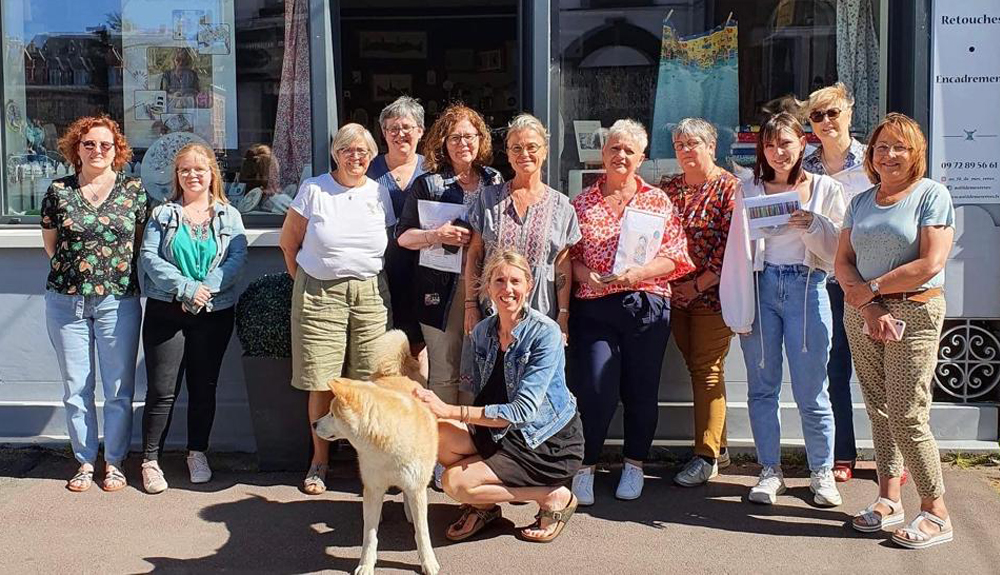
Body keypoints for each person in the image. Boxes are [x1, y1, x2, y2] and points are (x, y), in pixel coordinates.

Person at [835, 113, 955, 548]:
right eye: (881, 147)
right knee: (879, 411)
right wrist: (868, 304)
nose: (889, 155)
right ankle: (889, 498)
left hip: (915, 314)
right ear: (871, 154)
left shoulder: (931, 195)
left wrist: (875, 290)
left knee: (907, 412)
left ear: (915, 153)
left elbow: (930, 263)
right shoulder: (862, 201)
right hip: (864, 314)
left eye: (899, 147)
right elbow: (842, 260)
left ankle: (936, 511)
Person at [720, 112, 846, 507]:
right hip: (762, 286)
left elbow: (839, 251)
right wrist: (737, 305)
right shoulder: (749, 187)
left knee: (813, 389)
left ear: (802, 144)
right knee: (762, 386)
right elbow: (737, 251)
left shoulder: (825, 187)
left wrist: (811, 223)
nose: (778, 152)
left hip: (808, 285)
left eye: (786, 143)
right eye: (770, 145)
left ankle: (821, 471)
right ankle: (769, 469)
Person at [414, 250, 583, 543]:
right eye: (499, 281)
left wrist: (449, 411)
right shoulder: (482, 332)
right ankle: (485, 507)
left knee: (453, 482)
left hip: (543, 441)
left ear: (529, 285)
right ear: (488, 287)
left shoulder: (546, 333)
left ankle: (551, 494)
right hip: (500, 432)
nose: (508, 289)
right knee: (434, 435)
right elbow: (481, 393)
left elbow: (522, 412)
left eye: (515, 281)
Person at [567, 119, 695, 504]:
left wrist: (639, 272)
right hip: (594, 305)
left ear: (640, 158)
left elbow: (676, 256)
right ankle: (585, 465)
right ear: (602, 154)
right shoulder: (581, 202)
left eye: (629, 151)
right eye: (614, 148)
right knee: (593, 388)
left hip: (645, 304)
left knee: (641, 388)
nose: (620, 155)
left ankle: (635, 463)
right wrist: (586, 275)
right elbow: (567, 257)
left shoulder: (657, 201)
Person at [279, 123, 395, 495]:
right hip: (319, 292)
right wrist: (310, 282)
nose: (355, 157)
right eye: (347, 150)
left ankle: (370, 467)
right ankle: (319, 462)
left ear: (372, 157)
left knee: (368, 382)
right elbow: (288, 243)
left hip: (369, 294)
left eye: (363, 152)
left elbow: (388, 243)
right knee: (321, 379)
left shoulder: (380, 193)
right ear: (335, 154)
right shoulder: (315, 189)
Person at [40, 115, 149, 492]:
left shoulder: (133, 190)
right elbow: (51, 245)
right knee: (76, 387)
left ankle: (115, 462)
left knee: (118, 388)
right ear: (77, 148)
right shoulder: (59, 190)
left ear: (117, 150)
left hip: (117, 300)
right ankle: (85, 462)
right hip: (65, 301)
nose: (97, 150)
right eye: (89, 144)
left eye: (106, 145)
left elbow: (137, 242)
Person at [138, 143, 247, 494]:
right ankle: (150, 460)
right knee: (162, 391)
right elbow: (150, 258)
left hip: (214, 312)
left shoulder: (228, 215)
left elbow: (236, 257)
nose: (192, 175)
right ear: (177, 175)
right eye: (185, 169)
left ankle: (197, 452)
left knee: (204, 387)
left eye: (199, 169)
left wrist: (207, 289)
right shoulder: (162, 214)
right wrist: (187, 289)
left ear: (212, 173)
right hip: (166, 309)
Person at [398, 104, 504, 404]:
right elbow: (403, 237)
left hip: (487, 285)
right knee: (445, 369)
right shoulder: (428, 184)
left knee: (480, 367)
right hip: (442, 287)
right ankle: (443, 443)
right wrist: (437, 235)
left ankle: (469, 441)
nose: (463, 144)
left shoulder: (493, 180)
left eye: (469, 136)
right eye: (455, 137)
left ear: (481, 139)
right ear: (443, 142)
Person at [661, 118, 740, 487]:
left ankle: (705, 456)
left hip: (712, 295)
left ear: (711, 146)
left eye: (692, 143)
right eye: (679, 144)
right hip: (675, 294)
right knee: (698, 367)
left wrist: (698, 285)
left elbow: (732, 246)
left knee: (707, 369)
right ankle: (718, 446)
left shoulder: (729, 188)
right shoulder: (670, 188)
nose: (685, 150)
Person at [802, 82, 871, 482]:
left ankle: (894, 458)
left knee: (880, 370)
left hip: (868, 278)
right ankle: (842, 454)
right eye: (817, 116)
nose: (826, 122)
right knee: (834, 368)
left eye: (833, 113)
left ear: (849, 112)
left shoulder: (873, 159)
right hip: (824, 277)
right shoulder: (806, 166)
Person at [464, 113, 580, 341]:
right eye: (516, 148)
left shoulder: (562, 207)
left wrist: (563, 315)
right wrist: (470, 305)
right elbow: (475, 254)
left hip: (541, 317)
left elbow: (562, 265)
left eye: (531, 147)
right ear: (507, 154)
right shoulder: (489, 199)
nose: (524, 154)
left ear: (545, 151)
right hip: (492, 316)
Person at [367, 96, 428, 371]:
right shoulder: (368, 170)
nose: (399, 134)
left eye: (406, 127)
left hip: (425, 269)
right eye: (392, 128)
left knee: (421, 344)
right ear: (383, 133)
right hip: (380, 269)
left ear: (420, 131)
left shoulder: (434, 170)